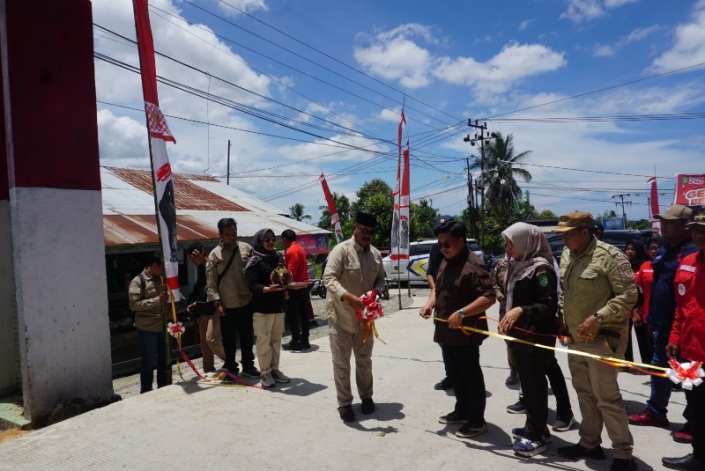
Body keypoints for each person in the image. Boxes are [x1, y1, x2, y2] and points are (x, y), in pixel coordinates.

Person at [554, 211, 638, 471]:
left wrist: (599, 318)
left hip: (601, 339)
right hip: (576, 339)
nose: (564, 239)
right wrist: (563, 319)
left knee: (606, 398)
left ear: (584, 232)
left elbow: (629, 295)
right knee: (584, 393)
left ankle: (623, 454)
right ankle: (589, 442)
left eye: (568, 234)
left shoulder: (610, 256)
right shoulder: (567, 255)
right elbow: (566, 292)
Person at [419, 220, 495, 439]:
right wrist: (428, 305)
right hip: (445, 332)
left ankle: (477, 421)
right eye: (440, 244)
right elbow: (438, 290)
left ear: (461, 241)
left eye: (447, 244)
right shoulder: (445, 262)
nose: (442, 248)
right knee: (455, 375)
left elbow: (488, 297)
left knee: (470, 376)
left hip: (466, 333)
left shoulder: (474, 265)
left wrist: (462, 313)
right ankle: (462, 411)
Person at [628, 205, 696, 438]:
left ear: (687, 226)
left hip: (686, 329)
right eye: (663, 221)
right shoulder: (666, 249)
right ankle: (656, 412)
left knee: (689, 377)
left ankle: (695, 422)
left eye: (670, 222)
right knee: (659, 370)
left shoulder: (694, 253)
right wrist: (652, 319)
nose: (664, 225)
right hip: (662, 324)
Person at [498, 222, 558, 457]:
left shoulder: (541, 270)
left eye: (512, 242)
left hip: (536, 337)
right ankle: (536, 427)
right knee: (528, 385)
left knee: (534, 385)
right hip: (521, 337)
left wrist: (521, 310)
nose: (508, 247)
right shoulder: (519, 265)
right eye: (507, 243)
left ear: (526, 242)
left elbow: (548, 304)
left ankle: (535, 437)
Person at [322, 212, 386, 423]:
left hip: (365, 321)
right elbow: (328, 278)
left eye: (371, 232)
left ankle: (366, 397)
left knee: (364, 361)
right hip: (340, 318)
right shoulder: (340, 251)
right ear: (354, 228)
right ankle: (345, 403)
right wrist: (348, 296)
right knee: (341, 364)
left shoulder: (376, 254)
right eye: (363, 230)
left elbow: (380, 280)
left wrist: (375, 293)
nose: (367, 235)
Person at [662, 208, 705, 470]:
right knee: (697, 409)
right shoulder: (689, 261)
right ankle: (699, 456)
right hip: (691, 351)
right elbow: (682, 306)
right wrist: (675, 336)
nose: (700, 234)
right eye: (696, 229)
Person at [206, 218, 260, 380]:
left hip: (246, 302)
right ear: (221, 235)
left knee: (247, 336)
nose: (232, 237)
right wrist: (217, 303)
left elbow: (255, 272)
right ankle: (230, 366)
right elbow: (211, 283)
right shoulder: (214, 255)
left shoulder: (246, 248)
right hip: (227, 304)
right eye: (228, 234)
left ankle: (248, 366)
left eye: (234, 233)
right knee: (228, 339)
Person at [245, 229, 292, 388]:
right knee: (263, 342)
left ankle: (275, 370)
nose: (271, 242)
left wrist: (285, 289)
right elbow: (252, 285)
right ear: (259, 241)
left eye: (272, 239)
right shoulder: (254, 261)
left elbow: (283, 278)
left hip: (278, 306)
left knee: (276, 341)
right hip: (261, 307)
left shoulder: (278, 258)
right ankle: (265, 373)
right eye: (266, 239)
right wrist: (267, 289)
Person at [128, 252, 169, 394]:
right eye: (161, 268)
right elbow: (134, 305)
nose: (163, 271)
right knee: (148, 361)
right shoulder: (138, 281)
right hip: (147, 328)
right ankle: (146, 390)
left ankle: (163, 386)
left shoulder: (160, 279)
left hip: (162, 325)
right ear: (154, 265)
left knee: (164, 358)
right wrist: (158, 300)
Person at [185, 242, 225, 375]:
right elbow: (200, 288)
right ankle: (208, 369)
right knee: (204, 344)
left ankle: (229, 360)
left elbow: (214, 285)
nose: (192, 260)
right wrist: (194, 302)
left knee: (212, 339)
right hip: (204, 308)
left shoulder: (211, 264)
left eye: (194, 256)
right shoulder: (199, 267)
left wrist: (204, 261)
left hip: (216, 306)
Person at [424, 215, 454, 391]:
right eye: (439, 234)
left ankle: (461, 378)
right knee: (444, 342)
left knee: (460, 346)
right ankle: (450, 376)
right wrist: (435, 291)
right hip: (440, 303)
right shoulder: (436, 249)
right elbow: (430, 272)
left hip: (458, 307)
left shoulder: (464, 253)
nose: (443, 246)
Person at [632, 237, 663, 365]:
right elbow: (638, 292)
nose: (654, 251)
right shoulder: (645, 266)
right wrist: (635, 312)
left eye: (657, 247)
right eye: (651, 248)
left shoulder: (669, 263)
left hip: (665, 313)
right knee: (650, 346)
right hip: (647, 313)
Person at [281, 229, 312, 351]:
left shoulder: (291, 250)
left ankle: (296, 340)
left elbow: (290, 272)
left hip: (295, 287)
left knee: (291, 314)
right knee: (303, 314)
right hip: (303, 285)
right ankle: (305, 340)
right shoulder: (301, 249)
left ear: (284, 239)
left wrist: (284, 286)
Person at [623, 239, 647, 365]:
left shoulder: (644, 265)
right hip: (626, 309)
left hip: (639, 309)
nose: (630, 252)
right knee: (625, 338)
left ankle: (647, 364)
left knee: (643, 338)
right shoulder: (624, 266)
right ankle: (627, 362)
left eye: (633, 249)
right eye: (628, 249)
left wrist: (637, 311)